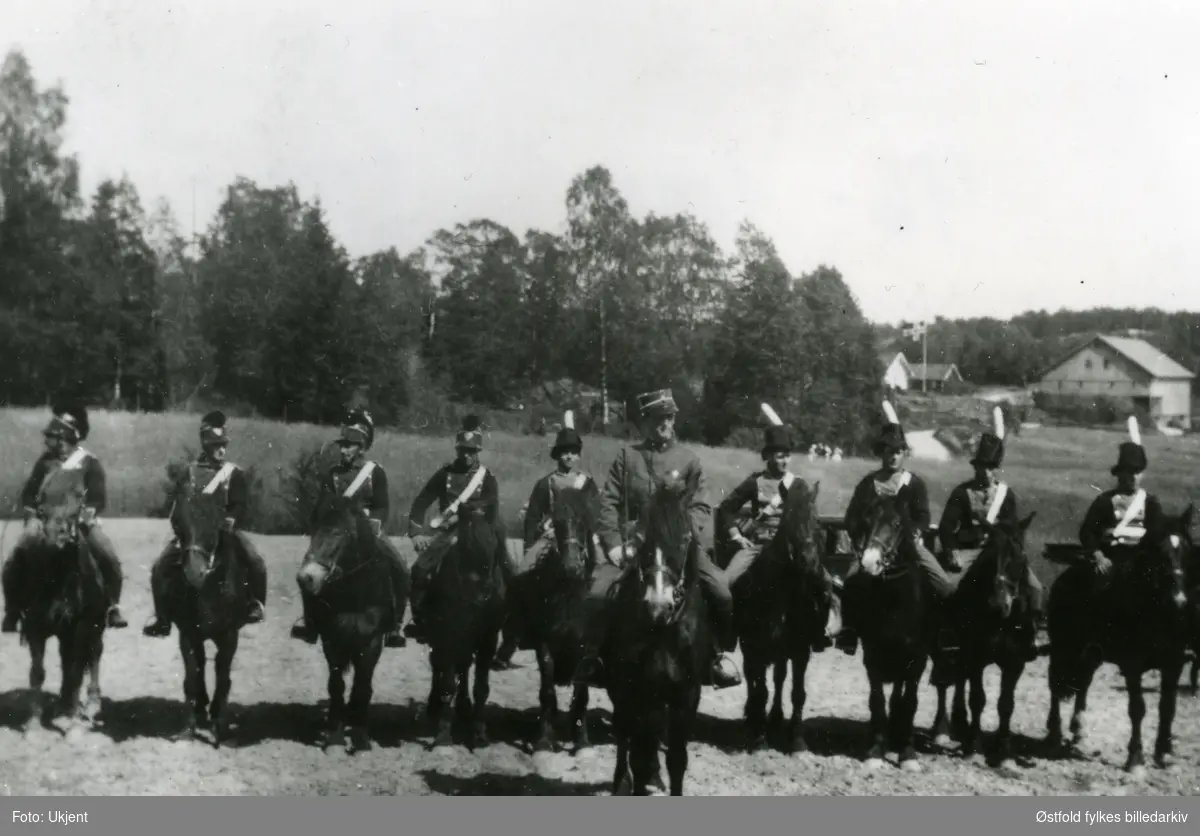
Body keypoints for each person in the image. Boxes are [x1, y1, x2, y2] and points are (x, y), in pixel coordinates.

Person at [576, 388, 742, 690]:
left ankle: (717, 656)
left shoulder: (689, 461)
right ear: (645, 422)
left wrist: (681, 535)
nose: (664, 423)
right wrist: (612, 544)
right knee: (598, 592)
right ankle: (594, 657)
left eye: (669, 417)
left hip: (678, 545)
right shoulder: (628, 457)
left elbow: (701, 506)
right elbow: (608, 503)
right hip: (633, 545)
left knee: (721, 591)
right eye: (657, 418)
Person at [830, 401, 957, 655]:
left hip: (907, 544)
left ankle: (944, 632)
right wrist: (861, 540)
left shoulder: (914, 484)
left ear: (904, 454)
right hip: (873, 546)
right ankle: (850, 632)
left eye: (898, 451)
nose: (893, 456)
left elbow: (922, 516)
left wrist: (917, 532)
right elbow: (851, 518)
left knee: (944, 584)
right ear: (881, 453)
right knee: (853, 581)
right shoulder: (868, 484)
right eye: (889, 451)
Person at [714, 412, 839, 651]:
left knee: (823, 581)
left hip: (792, 548)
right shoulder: (754, 482)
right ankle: (727, 636)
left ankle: (818, 632)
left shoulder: (799, 484)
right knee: (726, 582)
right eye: (779, 456)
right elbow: (726, 509)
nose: (783, 461)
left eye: (786, 456)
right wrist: (736, 536)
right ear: (769, 456)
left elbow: (808, 518)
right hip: (758, 545)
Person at [2, 403, 127, 633]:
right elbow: (29, 494)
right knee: (16, 556)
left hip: (78, 521)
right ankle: (13, 609)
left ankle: (112, 606)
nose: (48, 441)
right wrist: (31, 517)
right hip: (44, 521)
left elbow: (98, 496)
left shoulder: (89, 462)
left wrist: (88, 512)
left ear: (64, 438)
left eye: (52, 437)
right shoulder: (44, 463)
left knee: (108, 555)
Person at [290, 409, 409, 649]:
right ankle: (309, 621)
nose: (344, 450)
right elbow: (322, 507)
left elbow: (381, 506)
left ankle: (394, 625)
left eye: (350, 446)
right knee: (307, 570)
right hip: (336, 533)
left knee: (400, 567)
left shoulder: (374, 472)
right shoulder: (333, 474)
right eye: (343, 445)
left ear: (363, 447)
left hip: (366, 532)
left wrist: (373, 525)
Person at [143, 411, 268, 637]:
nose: (222, 450)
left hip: (224, 533)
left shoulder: (234, 473)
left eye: (223, 445)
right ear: (206, 446)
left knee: (255, 560)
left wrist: (232, 518)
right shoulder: (189, 472)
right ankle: (162, 619)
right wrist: (182, 529)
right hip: (194, 535)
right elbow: (178, 507)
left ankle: (255, 604)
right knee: (159, 567)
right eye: (216, 445)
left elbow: (240, 504)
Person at [492, 411, 600, 668]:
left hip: (582, 538)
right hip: (550, 538)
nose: (568, 456)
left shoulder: (588, 484)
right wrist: (532, 544)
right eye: (564, 451)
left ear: (579, 454)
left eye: (573, 451)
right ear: (556, 455)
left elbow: (595, 513)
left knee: (604, 577)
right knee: (521, 576)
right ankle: (511, 641)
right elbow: (532, 517)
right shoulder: (546, 483)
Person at [936, 407, 1044, 659]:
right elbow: (945, 526)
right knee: (949, 587)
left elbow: (1013, 528)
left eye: (989, 467)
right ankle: (947, 631)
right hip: (969, 551)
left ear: (996, 469)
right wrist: (950, 549)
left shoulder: (1006, 496)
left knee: (1035, 587)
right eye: (981, 466)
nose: (984, 471)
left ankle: (1031, 633)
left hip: (1000, 552)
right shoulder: (962, 493)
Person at [402, 415, 510, 645]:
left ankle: (509, 623)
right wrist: (417, 533)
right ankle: (421, 621)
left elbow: (493, 508)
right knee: (420, 570)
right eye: (463, 450)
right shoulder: (444, 474)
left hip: (479, 531)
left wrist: (472, 514)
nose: (467, 455)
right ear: (457, 449)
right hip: (448, 533)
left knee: (508, 571)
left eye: (471, 451)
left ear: (478, 451)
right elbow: (421, 502)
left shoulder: (486, 477)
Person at [1078, 417, 1164, 579]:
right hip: (1110, 560)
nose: (1133, 477)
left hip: (1140, 563)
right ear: (1119, 474)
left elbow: (1157, 534)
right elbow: (1087, 532)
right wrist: (1099, 557)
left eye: (1137, 472)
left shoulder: (1150, 503)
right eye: (1129, 472)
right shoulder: (1105, 501)